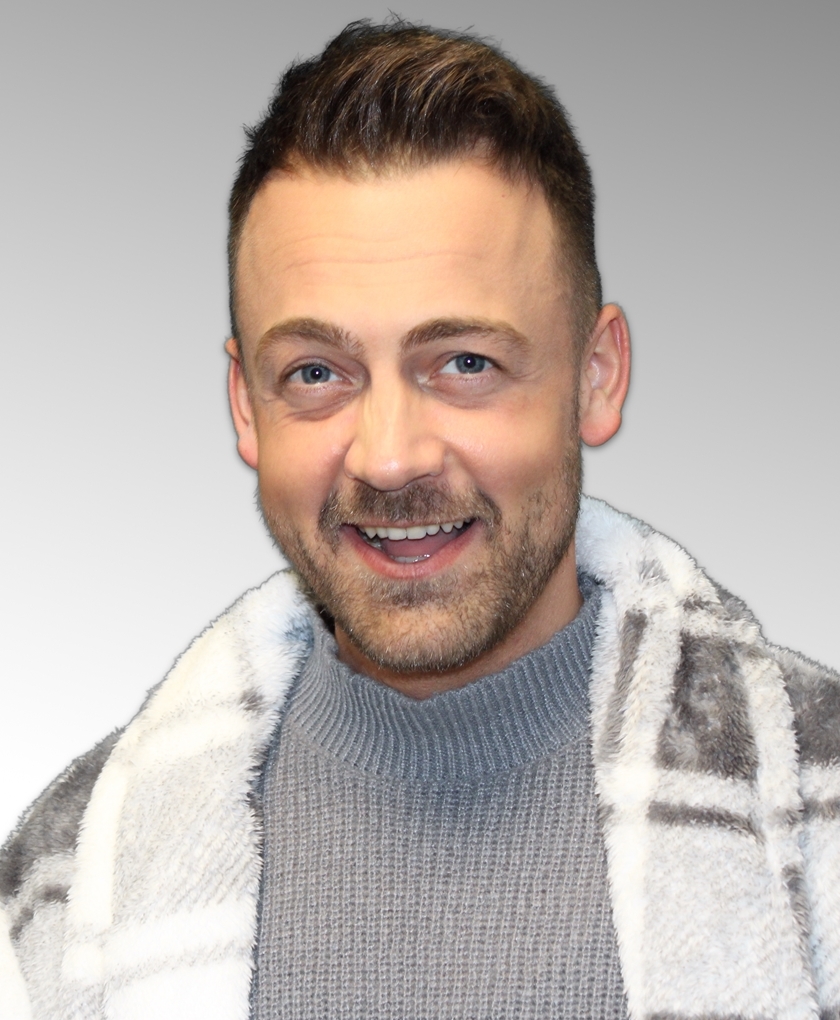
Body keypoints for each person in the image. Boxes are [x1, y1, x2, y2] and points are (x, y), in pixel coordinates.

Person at [1, 18, 838, 1020]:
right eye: (316, 373)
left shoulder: (818, 812)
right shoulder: (61, 878)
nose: (389, 457)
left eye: (465, 363)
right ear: (245, 408)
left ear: (597, 376)